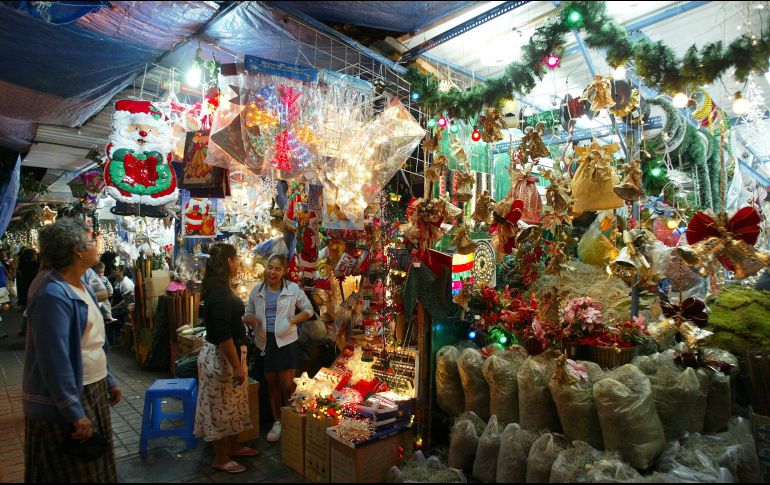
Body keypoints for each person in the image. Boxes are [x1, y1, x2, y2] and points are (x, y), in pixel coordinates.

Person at [22, 218, 121, 482]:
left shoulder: (80, 284)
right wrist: (73, 411)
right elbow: (54, 360)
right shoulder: (52, 294)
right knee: (75, 471)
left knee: (96, 467)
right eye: (91, 241)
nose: (97, 245)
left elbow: (93, 340)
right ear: (77, 251)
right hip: (71, 394)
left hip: (92, 386)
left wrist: (108, 379)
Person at [194, 244, 256, 474]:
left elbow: (228, 323)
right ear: (229, 262)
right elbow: (223, 336)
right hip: (221, 359)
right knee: (218, 408)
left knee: (232, 405)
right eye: (236, 259)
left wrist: (243, 322)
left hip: (229, 357)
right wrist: (236, 366)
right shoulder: (219, 294)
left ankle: (233, 447)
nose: (238, 263)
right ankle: (220, 457)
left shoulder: (221, 288)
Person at [243, 253, 313, 443]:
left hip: (286, 341)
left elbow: (308, 310)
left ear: (284, 271)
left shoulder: (292, 289)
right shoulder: (257, 290)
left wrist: (292, 320)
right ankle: (278, 421)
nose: (272, 272)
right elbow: (248, 311)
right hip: (265, 341)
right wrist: (250, 319)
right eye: (270, 267)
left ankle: (292, 418)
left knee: (288, 384)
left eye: (277, 269)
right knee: (271, 382)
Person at [108, 266, 134, 346]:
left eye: (116, 270)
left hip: (125, 306)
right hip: (117, 305)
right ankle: (113, 340)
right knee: (107, 314)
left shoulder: (126, 283)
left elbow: (125, 300)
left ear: (121, 272)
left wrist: (113, 308)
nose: (114, 271)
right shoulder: (117, 281)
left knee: (111, 316)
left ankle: (122, 329)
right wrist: (109, 306)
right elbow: (113, 297)